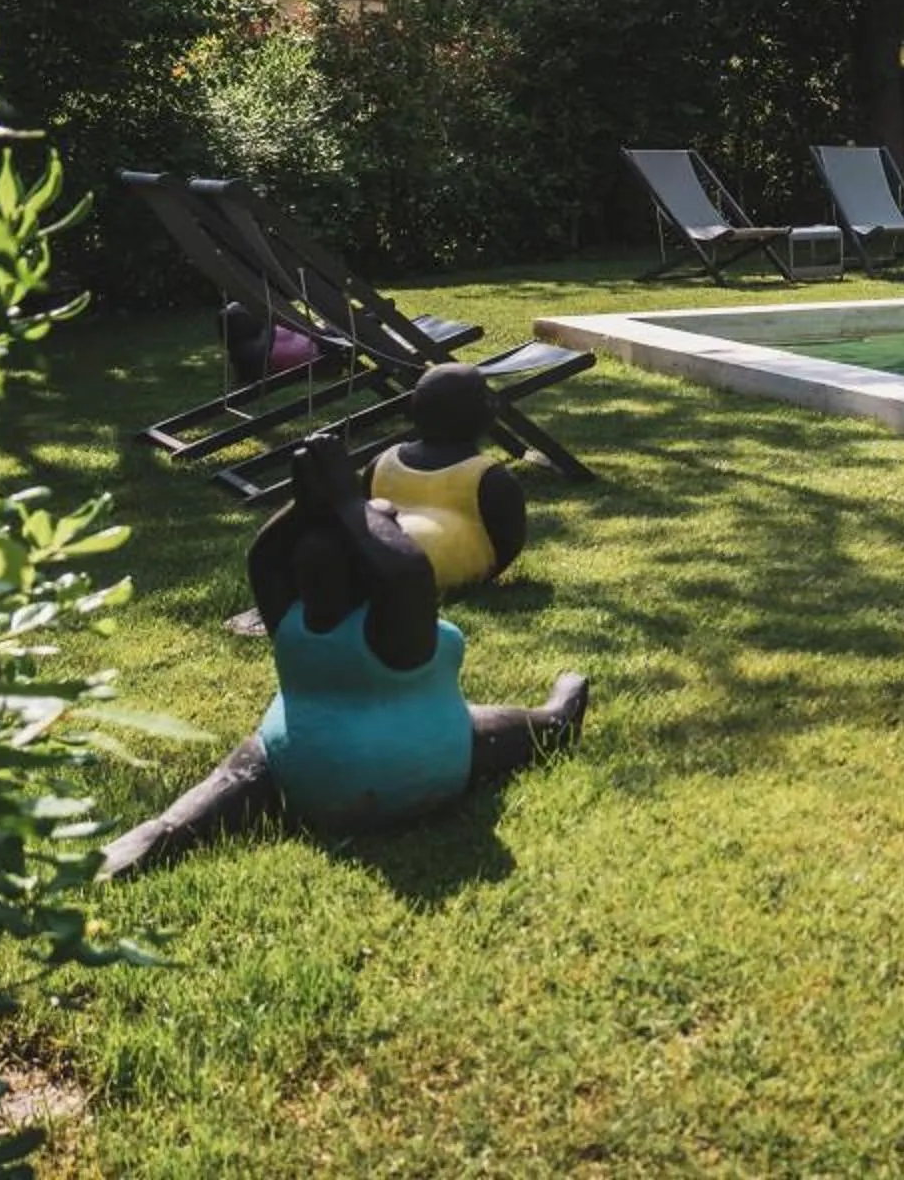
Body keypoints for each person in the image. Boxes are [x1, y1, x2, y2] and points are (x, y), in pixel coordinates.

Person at [100, 430, 589, 880]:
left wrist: (308, 505)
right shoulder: (394, 629)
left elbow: (264, 558)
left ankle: (164, 830)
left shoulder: (290, 619)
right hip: (411, 767)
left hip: (298, 765)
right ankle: (553, 721)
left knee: (242, 773)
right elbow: (409, 573)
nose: (389, 522)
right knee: (490, 730)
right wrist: (349, 504)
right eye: (384, 523)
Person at [366, 364, 528, 593]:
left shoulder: (381, 462)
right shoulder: (491, 478)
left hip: (371, 563)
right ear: (481, 414)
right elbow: (508, 542)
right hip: (428, 572)